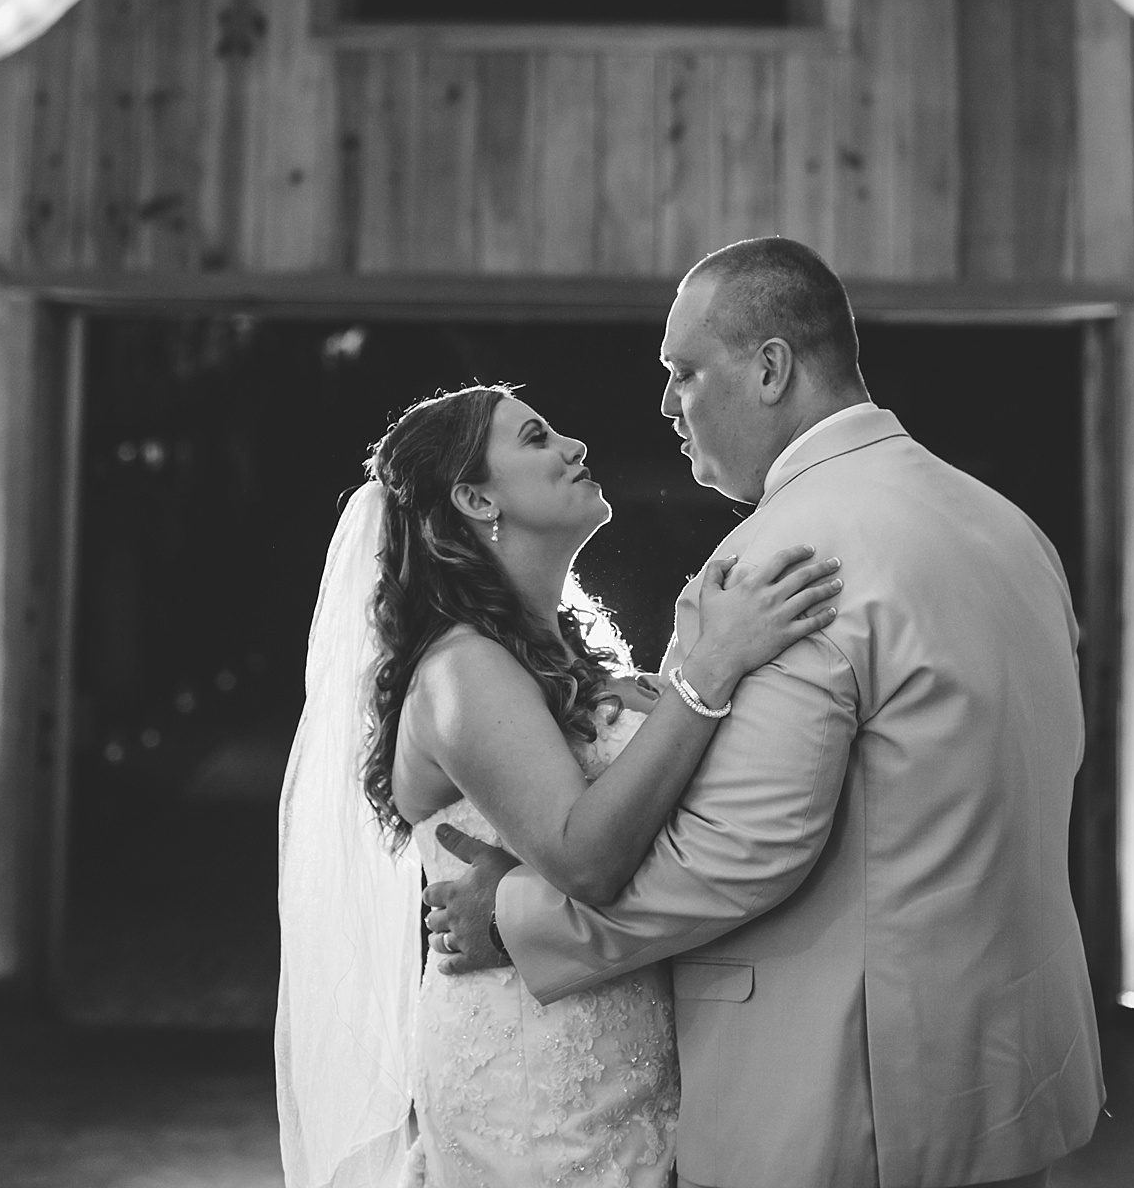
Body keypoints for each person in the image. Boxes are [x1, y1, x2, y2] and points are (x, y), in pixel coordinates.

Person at [426, 237, 1106, 1188]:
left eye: (683, 373)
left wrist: (514, 918)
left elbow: (740, 851)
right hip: (1013, 1079)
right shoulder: (1006, 527)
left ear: (771, 367)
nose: (666, 404)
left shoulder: (782, 558)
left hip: (853, 1102)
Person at [275, 379, 843, 1188]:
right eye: (537, 438)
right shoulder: (462, 667)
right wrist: (713, 668)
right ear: (476, 497)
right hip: (532, 1079)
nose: (575, 448)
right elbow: (587, 858)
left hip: (627, 1049)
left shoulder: (563, 660)